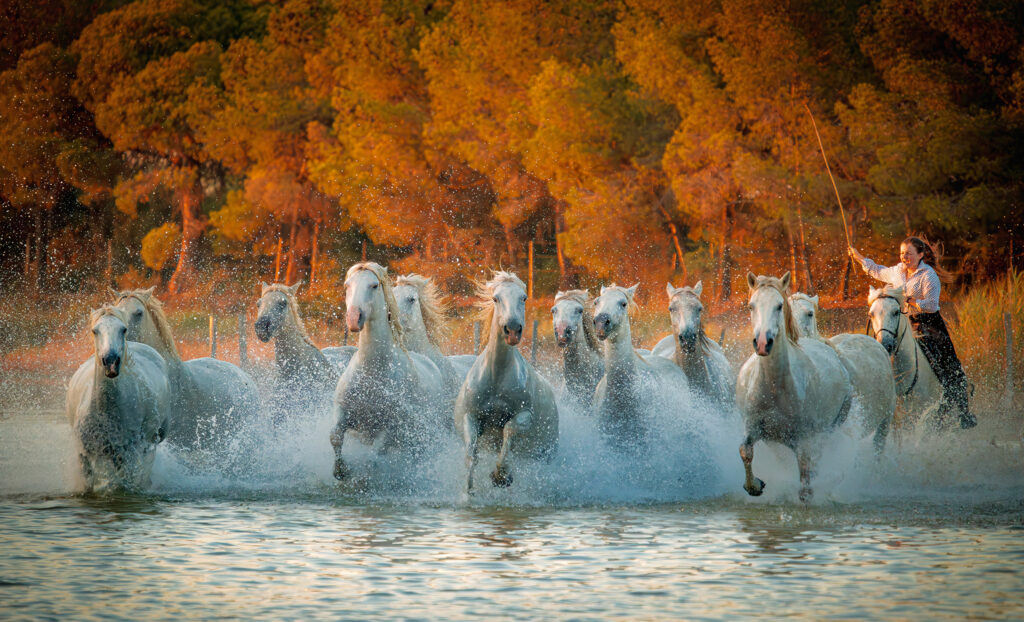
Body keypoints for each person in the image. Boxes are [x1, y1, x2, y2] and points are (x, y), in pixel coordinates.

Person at [848, 236, 976, 429]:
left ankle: (963, 411)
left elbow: (932, 306)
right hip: (904, 321)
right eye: (901, 253)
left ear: (921, 254)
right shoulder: (897, 271)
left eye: (908, 253)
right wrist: (858, 257)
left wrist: (910, 301)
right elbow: (877, 270)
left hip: (928, 323)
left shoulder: (928, 275)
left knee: (949, 362)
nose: (904, 257)